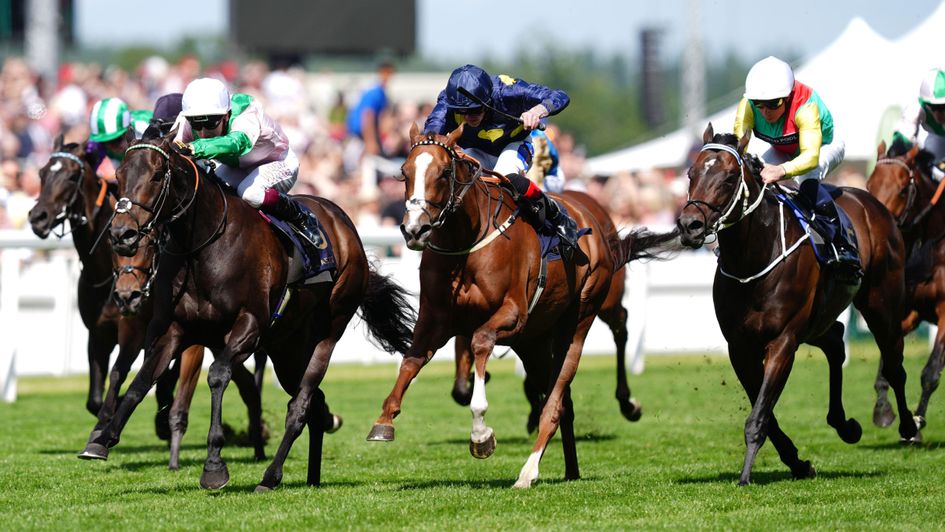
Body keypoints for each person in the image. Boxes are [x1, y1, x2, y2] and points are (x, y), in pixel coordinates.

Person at [423, 64, 577, 248]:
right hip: (473, 150)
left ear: (488, 98)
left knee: (506, 175)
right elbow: (430, 135)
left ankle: (555, 215)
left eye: (475, 109)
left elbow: (560, 95)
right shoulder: (447, 101)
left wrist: (537, 111)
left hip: (514, 144)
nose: (467, 116)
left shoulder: (508, 91)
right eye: (461, 111)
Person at [733, 55, 859, 278]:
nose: (765, 112)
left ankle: (842, 245)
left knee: (808, 179)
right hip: (785, 150)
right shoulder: (748, 105)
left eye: (774, 104)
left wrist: (780, 171)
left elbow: (810, 157)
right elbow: (737, 148)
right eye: (760, 104)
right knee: (753, 176)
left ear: (789, 97)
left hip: (823, 147)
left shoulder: (806, 107)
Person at [169, 77, 322, 248]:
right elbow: (170, 147)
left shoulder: (246, 110)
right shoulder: (188, 118)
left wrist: (194, 147)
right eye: (196, 124)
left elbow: (238, 143)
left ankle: (300, 216)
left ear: (227, 115)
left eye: (210, 122)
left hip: (278, 162)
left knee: (250, 194)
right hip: (237, 167)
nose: (204, 132)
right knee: (212, 191)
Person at [892, 67, 945, 179]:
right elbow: (902, 140)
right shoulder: (916, 108)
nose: (938, 114)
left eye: (943, 107)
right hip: (937, 138)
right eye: (933, 107)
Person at [87, 97, 154, 175]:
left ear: (129, 128)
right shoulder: (95, 145)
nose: (114, 146)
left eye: (117, 139)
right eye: (107, 141)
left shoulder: (146, 127)